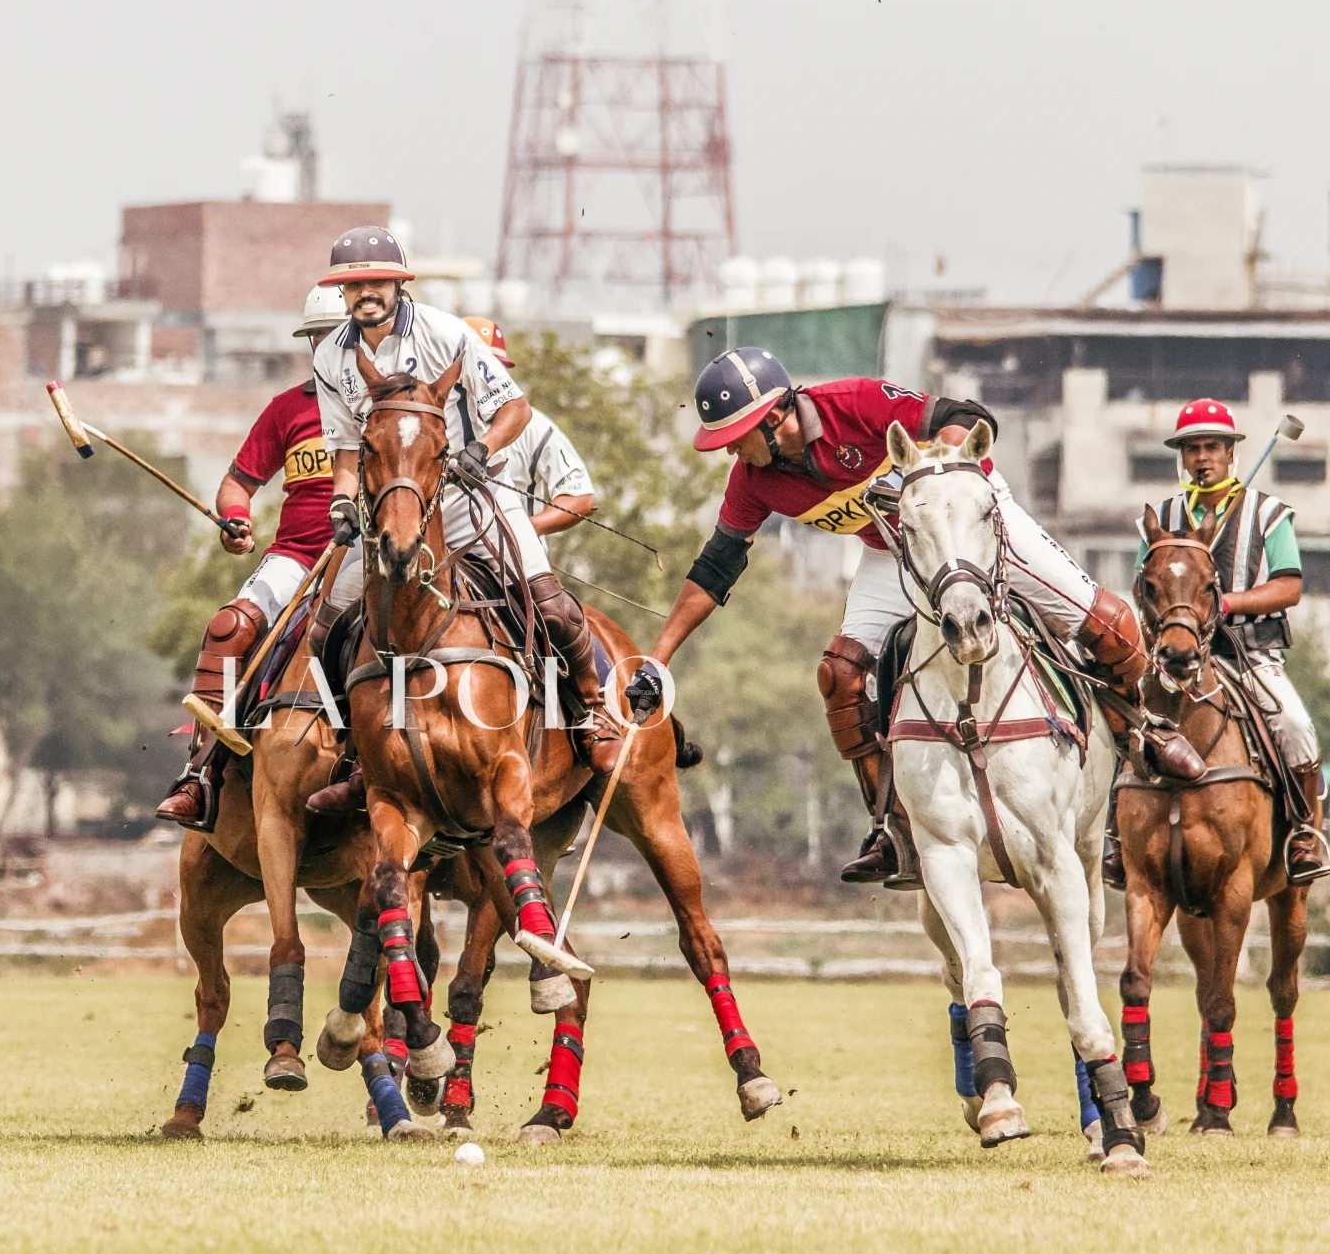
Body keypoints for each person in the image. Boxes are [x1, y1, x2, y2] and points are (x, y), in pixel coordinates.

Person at [626, 348, 1205, 885]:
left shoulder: (854, 403)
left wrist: (948, 469)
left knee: (1108, 622)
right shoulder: (753, 483)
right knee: (841, 675)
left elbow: (961, 413)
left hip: (975, 525)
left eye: (734, 437)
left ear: (775, 416)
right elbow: (715, 570)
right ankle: (895, 827)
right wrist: (659, 656)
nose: (730, 450)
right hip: (894, 552)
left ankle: (1146, 739)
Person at [303, 229, 622, 816]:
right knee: (325, 629)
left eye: (375, 280)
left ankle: (592, 709)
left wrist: (480, 453)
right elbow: (346, 448)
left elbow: (514, 409)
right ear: (342, 293)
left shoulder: (445, 334)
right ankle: (356, 752)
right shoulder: (330, 357)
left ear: (400, 283)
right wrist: (343, 503)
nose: (365, 292)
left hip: (468, 499)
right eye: (352, 284)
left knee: (547, 600)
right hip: (392, 511)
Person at [1107, 397, 1326, 886]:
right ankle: (1115, 839)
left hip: (1249, 652)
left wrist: (1227, 603)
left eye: (1212, 447)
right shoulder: (1160, 518)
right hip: (1173, 659)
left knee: (1295, 726)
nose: (1202, 457)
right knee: (1122, 726)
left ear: (1231, 454)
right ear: (1181, 457)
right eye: (1192, 449)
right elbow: (1145, 590)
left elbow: (1289, 585)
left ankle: (1303, 836)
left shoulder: (1269, 513)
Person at [154, 284, 351, 828]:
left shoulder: (387, 407)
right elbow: (238, 481)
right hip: (297, 554)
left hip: (368, 559)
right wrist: (234, 519)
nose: (329, 348)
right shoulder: (288, 408)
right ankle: (200, 774)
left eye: (339, 337)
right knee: (229, 626)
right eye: (319, 339)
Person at [464, 317, 599, 539]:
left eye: (491, 370)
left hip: (517, 555)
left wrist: (524, 529)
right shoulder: (430, 423)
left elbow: (580, 498)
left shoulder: (535, 426)